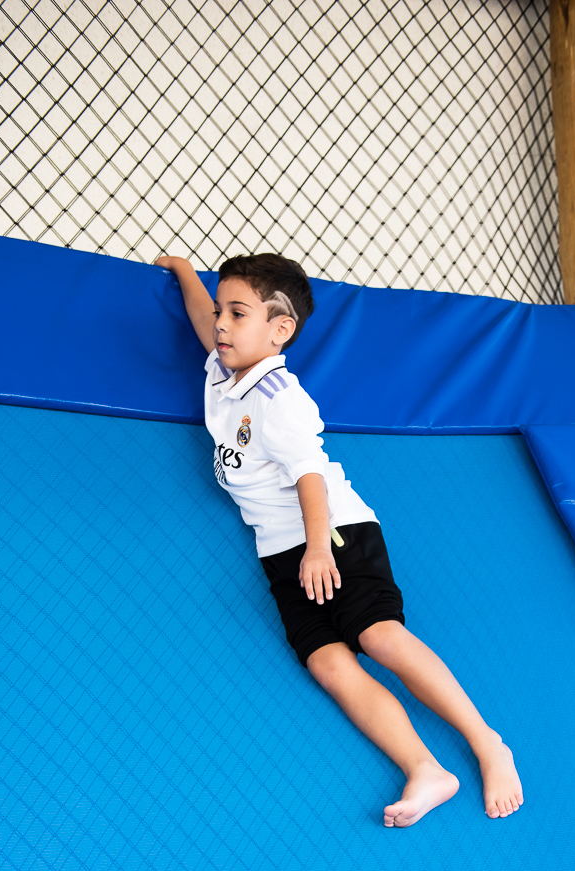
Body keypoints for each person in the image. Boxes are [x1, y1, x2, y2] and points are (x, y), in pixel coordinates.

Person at [155, 252, 523, 826]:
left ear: (280, 331)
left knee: (380, 638)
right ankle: (426, 768)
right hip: (279, 549)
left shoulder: (280, 399)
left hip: (335, 533)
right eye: (223, 310)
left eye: (239, 313)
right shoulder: (224, 367)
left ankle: (486, 742)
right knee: (328, 663)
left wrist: (320, 546)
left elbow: (308, 473)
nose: (222, 324)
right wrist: (183, 271)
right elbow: (203, 318)